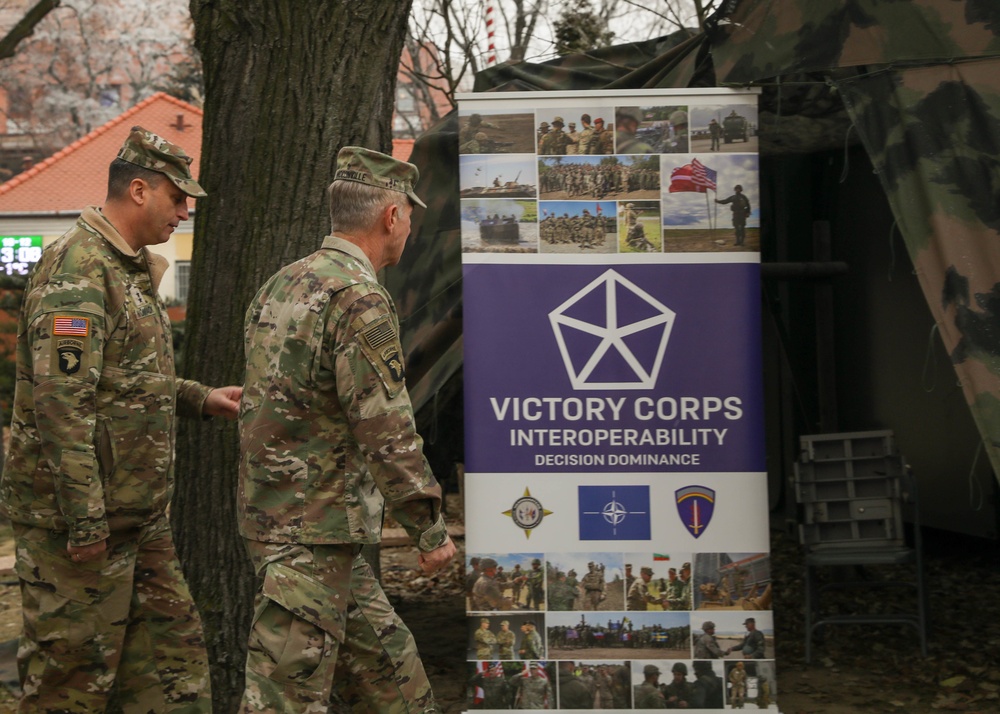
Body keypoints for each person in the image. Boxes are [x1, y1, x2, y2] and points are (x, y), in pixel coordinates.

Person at [0, 126, 242, 713]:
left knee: (172, 674)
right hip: (78, 529)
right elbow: (61, 405)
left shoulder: (127, 267)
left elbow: (125, 381)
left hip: (137, 517)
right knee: (69, 685)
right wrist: (85, 524)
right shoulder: (77, 272)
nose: (184, 212)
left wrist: (200, 397)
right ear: (138, 190)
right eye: (177, 198)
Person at [238, 145, 456, 712]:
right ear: (391, 216)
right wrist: (428, 528)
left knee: (394, 674)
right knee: (283, 697)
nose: (409, 228)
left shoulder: (281, 284)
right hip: (311, 536)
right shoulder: (358, 299)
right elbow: (384, 427)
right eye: (409, 215)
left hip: (302, 527)